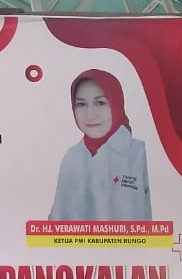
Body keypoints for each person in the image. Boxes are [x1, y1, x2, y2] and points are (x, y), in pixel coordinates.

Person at [47, 68, 151, 221]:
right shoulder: (71, 157)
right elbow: (56, 218)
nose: (90, 113)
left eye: (100, 102)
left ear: (116, 104)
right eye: (81, 104)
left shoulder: (140, 154)